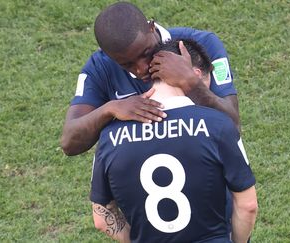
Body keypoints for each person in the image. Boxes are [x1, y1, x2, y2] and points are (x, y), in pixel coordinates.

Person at [90, 40, 257, 243]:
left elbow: (101, 216)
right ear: (195, 74)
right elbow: (247, 206)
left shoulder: (109, 137)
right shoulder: (218, 125)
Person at [61, 2, 240, 156]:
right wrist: (110, 109)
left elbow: (233, 126)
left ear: (151, 27)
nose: (142, 68)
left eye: (146, 53)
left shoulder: (201, 43)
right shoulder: (100, 67)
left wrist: (190, 82)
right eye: (127, 64)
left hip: (206, 175)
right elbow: (69, 143)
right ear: (110, 56)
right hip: (141, 187)